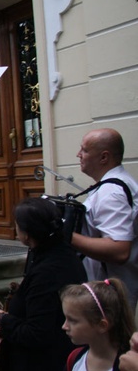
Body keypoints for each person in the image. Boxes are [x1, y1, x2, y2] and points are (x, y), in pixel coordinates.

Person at [0, 197, 87, 371]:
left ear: (27, 233)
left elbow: (38, 332)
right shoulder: (58, 253)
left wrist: (4, 321)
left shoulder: (47, 271)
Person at [71, 128, 138, 310]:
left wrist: (67, 236)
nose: (79, 154)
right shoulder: (115, 185)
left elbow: (119, 250)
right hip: (108, 294)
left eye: (84, 150)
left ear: (104, 157)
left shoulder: (112, 192)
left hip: (108, 298)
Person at [59, 279, 136, 371]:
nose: (64, 326)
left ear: (102, 325)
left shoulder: (126, 370)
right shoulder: (74, 361)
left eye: (72, 320)